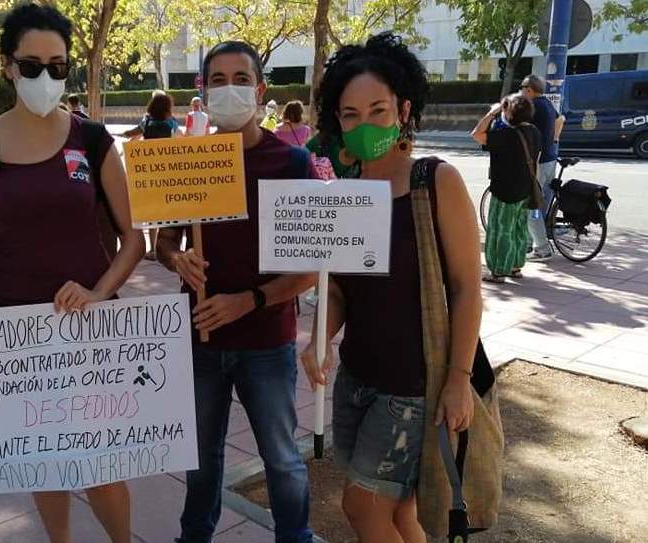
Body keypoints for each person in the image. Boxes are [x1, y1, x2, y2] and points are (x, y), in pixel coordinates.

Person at [0, 5, 145, 543]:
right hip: (8, 329)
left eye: (57, 66)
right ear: (7, 66)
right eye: (31, 65)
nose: (45, 77)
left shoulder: (95, 140)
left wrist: (100, 294)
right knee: (43, 459)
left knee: (103, 466)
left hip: (86, 327)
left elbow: (133, 240)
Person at [300, 33, 481, 543]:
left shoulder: (435, 182)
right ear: (337, 121)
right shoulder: (344, 193)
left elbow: (468, 287)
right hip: (357, 380)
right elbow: (336, 288)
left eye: (377, 110)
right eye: (350, 115)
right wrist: (318, 338)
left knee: (362, 508)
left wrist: (458, 379)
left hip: (411, 389)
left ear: (403, 110)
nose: (364, 125)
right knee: (401, 515)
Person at [157, 41, 316, 543]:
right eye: (218, 80)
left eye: (241, 78)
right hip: (200, 341)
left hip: (267, 342)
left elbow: (312, 269)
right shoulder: (185, 161)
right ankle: (194, 536)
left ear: (261, 89)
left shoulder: (292, 163)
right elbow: (162, 241)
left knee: (282, 458)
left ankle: (295, 537)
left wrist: (249, 301)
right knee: (200, 459)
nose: (230, 89)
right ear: (202, 91)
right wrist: (173, 257)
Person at [472, 93, 541, 283]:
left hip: (505, 190)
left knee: (500, 230)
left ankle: (499, 270)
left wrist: (491, 114)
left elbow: (476, 134)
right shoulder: (534, 131)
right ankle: (515, 266)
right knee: (519, 229)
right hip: (526, 189)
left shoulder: (505, 135)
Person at [123, 90, 179, 260]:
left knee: (152, 210)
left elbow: (133, 133)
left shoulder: (146, 122)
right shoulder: (172, 123)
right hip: (168, 170)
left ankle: (152, 249)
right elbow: (180, 138)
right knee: (166, 208)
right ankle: (166, 245)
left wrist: (122, 134)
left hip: (149, 170)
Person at [520, 74, 564, 261]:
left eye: (522, 88)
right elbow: (561, 119)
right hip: (550, 160)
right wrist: (554, 138)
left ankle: (543, 249)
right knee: (541, 202)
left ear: (529, 89)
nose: (521, 91)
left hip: (538, 163)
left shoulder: (532, 106)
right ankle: (529, 243)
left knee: (532, 206)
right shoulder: (546, 104)